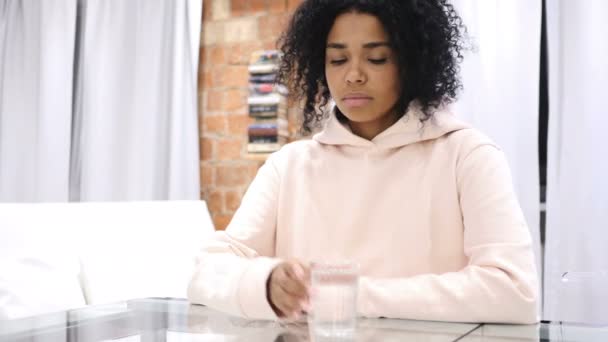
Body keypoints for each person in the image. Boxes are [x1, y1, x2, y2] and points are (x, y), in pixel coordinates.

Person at [188, 0, 539, 324]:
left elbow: (513, 292)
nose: (353, 75)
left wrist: (350, 296)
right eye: (338, 60)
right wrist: (265, 284)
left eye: (377, 58)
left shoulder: (467, 155)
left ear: (412, 61)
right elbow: (206, 271)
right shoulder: (290, 165)